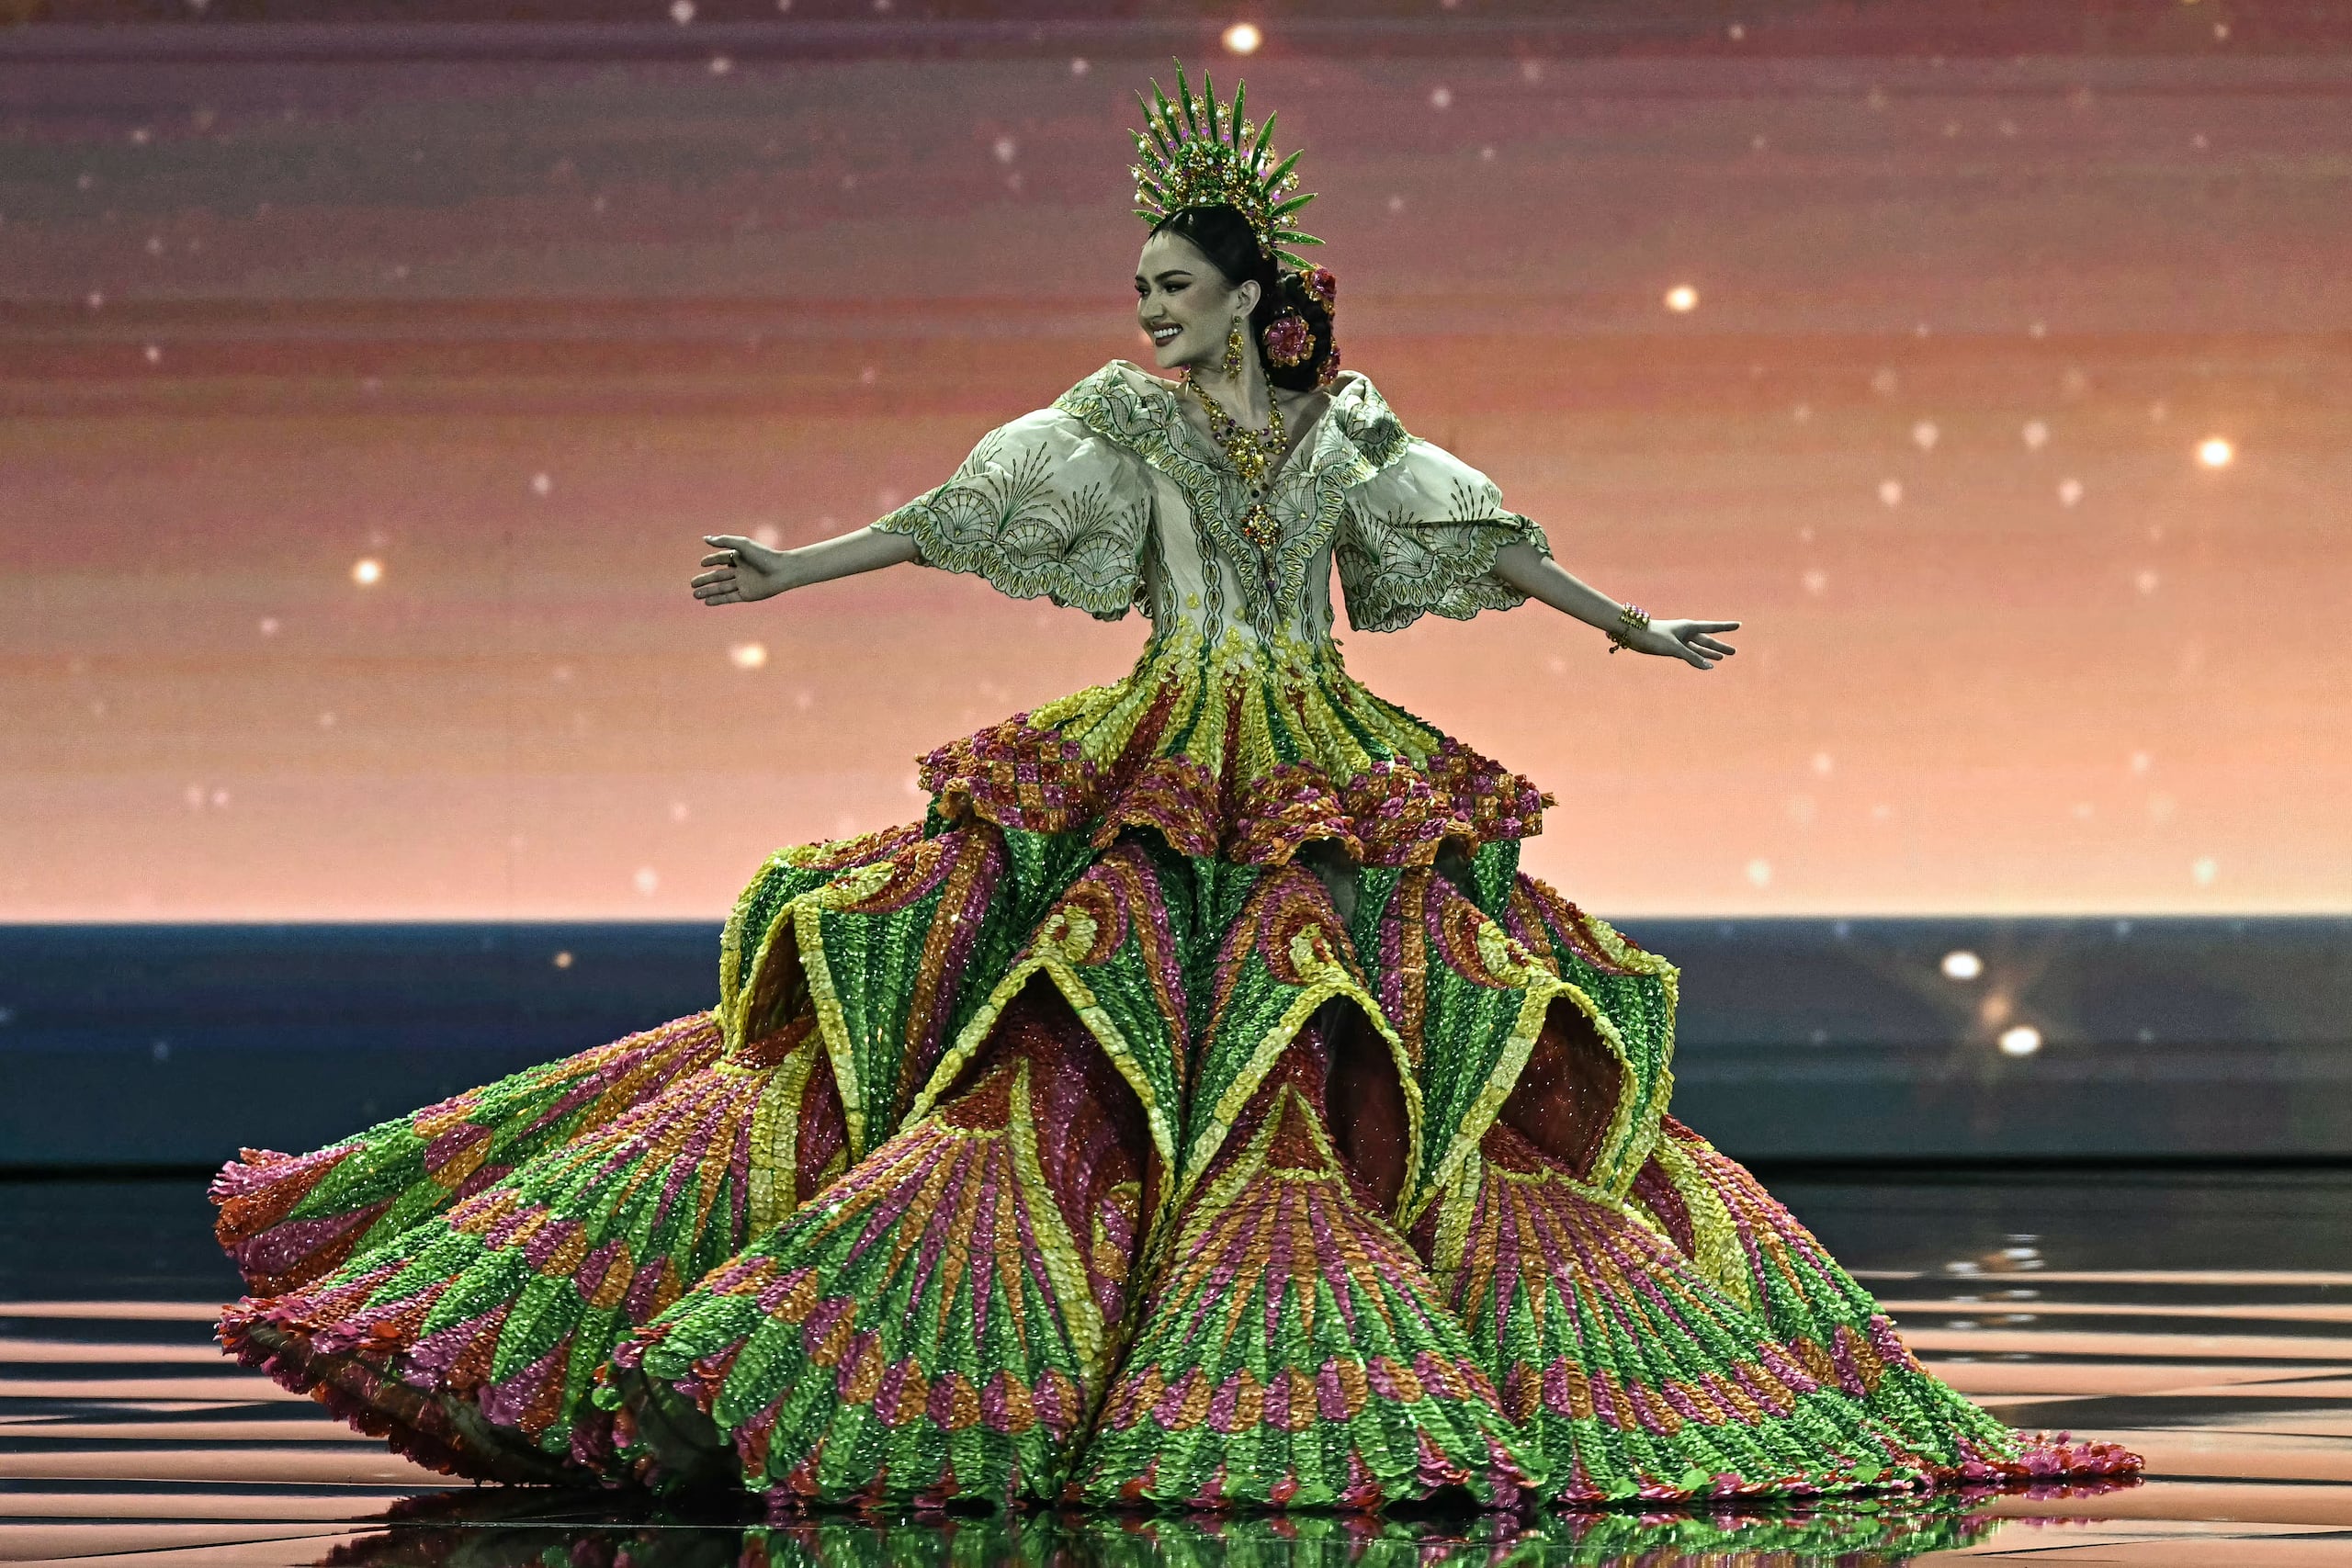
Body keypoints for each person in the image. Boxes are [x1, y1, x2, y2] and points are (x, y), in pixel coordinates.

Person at [211, 68, 2138, 1513]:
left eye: (1166, 284)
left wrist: (1623, 624)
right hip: (1161, 742)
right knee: (1040, 1038)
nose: (1144, 310)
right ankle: (986, 1360)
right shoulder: (1119, 423)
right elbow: (961, 510)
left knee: (1374, 1066)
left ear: (1242, 288)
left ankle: (1322, 1370)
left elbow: (1463, 524)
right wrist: (794, 566)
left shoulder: (1339, 418)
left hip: (1312, 757)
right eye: (1133, 285)